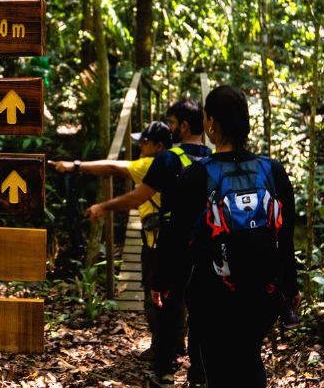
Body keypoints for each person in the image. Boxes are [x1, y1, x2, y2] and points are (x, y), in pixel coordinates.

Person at [151, 86, 299, 387]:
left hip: (214, 296)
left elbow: (175, 239)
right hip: (263, 293)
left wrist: (162, 282)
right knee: (248, 356)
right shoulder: (272, 170)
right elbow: (286, 235)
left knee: (218, 368)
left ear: (211, 123)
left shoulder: (197, 175)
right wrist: (290, 285)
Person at [85, 100, 211, 387]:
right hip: (207, 246)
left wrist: (104, 207)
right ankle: (200, 373)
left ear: (185, 126)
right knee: (201, 308)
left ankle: (165, 371)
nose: (170, 128)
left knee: (165, 303)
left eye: (173, 123)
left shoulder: (169, 159)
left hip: (172, 244)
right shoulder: (214, 157)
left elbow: (137, 197)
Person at [52, 122, 172, 332]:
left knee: (154, 293)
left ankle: (160, 350)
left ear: (159, 146)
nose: (140, 146)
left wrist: (76, 166)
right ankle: (176, 344)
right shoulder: (179, 161)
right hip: (179, 236)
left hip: (157, 242)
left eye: (144, 142)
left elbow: (113, 167)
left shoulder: (150, 165)